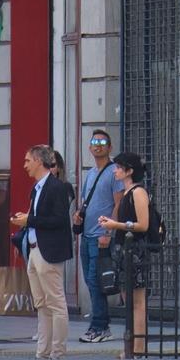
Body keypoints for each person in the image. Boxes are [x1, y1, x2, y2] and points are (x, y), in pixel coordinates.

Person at [9, 145, 75, 360]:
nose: (25, 165)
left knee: (55, 302)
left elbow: (60, 220)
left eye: (28, 160)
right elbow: (36, 217)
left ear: (38, 161)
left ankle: (58, 351)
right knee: (41, 304)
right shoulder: (36, 188)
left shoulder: (57, 188)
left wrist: (30, 220)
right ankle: (43, 350)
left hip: (49, 251)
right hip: (35, 249)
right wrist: (26, 219)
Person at [100, 152, 158, 355]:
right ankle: (131, 345)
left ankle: (138, 347)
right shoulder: (126, 193)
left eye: (118, 167)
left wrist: (116, 224)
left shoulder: (138, 192)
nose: (115, 170)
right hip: (124, 250)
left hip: (135, 251)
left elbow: (143, 224)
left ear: (129, 171)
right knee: (129, 301)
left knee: (138, 301)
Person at [72, 129, 120, 343]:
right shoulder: (90, 174)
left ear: (110, 148)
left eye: (102, 142)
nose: (98, 145)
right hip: (88, 235)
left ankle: (99, 326)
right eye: (94, 142)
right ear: (89, 147)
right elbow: (86, 200)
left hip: (101, 236)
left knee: (95, 280)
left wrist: (108, 232)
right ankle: (100, 324)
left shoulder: (113, 172)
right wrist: (79, 214)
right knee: (91, 281)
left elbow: (118, 203)